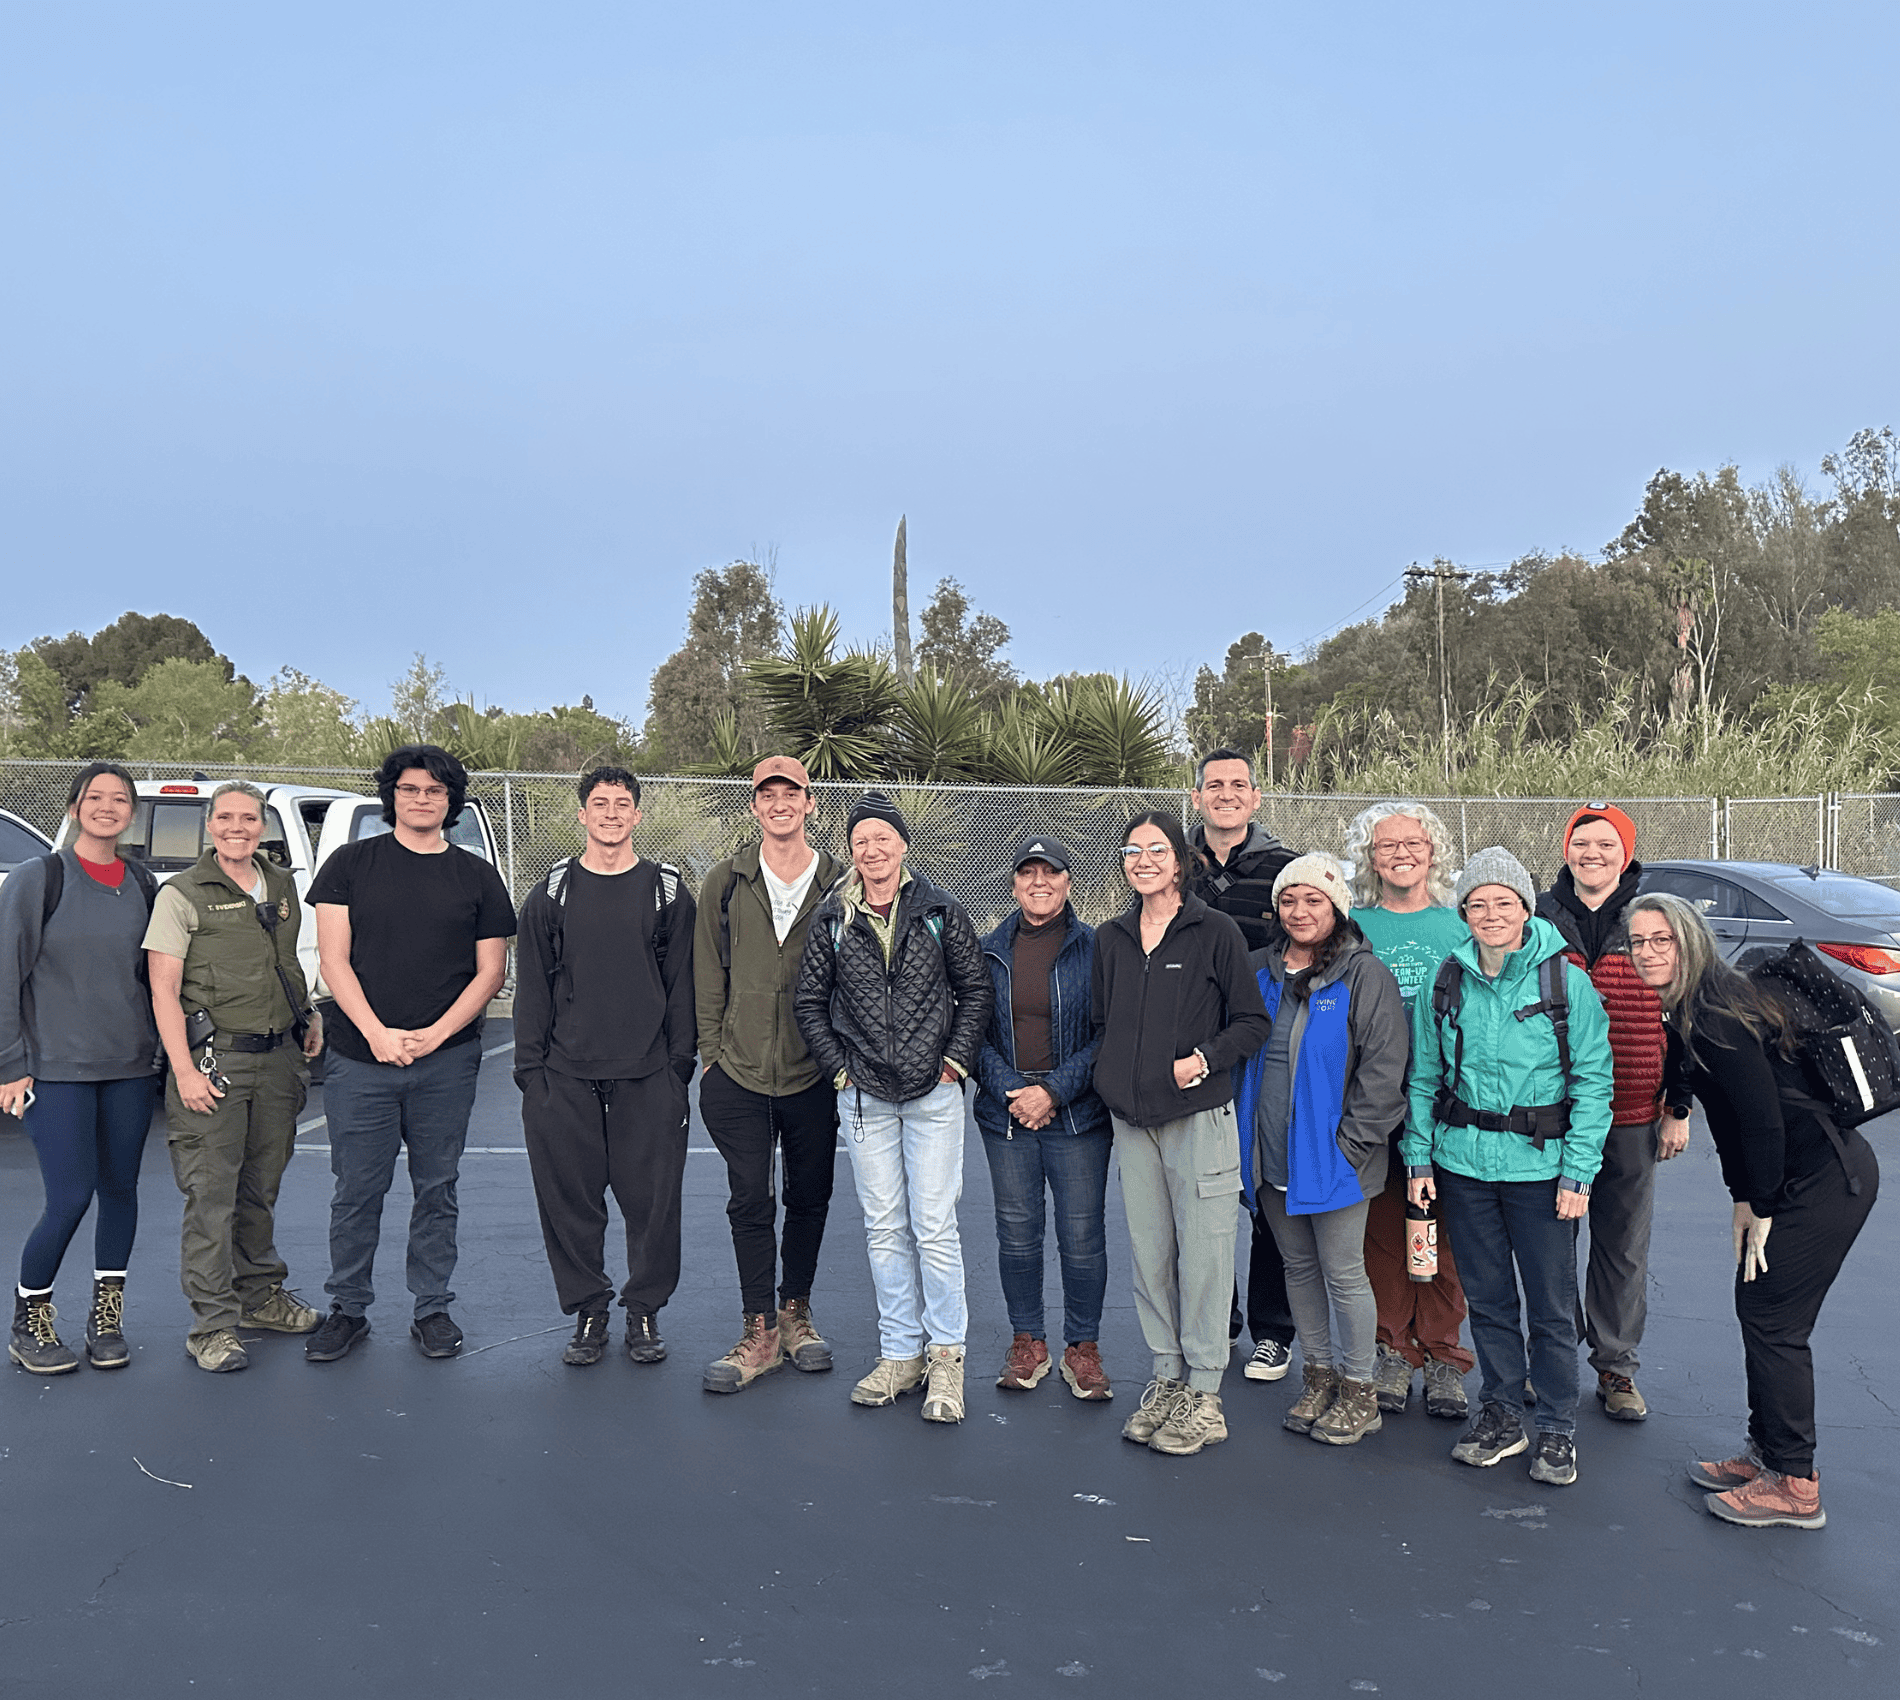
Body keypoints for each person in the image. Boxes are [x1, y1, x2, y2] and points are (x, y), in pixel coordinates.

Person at [1629, 893, 1880, 1530]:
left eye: (1663, 940)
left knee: (1773, 1316)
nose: (1648, 952)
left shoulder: (1714, 1013)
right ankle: (1768, 1454)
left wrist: (1762, 1204)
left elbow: (1763, 1123)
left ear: (1690, 943)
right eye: (1638, 941)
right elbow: (1728, 1119)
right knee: (1759, 1306)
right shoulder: (1691, 1007)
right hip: (1798, 1176)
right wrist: (1743, 1201)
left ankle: (1795, 1483)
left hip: (1825, 1178)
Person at [1404, 848, 1612, 1486]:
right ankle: (1500, 1413)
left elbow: (1594, 1082)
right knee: (1490, 1301)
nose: (1491, 914)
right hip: (1463, 1166)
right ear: (1463, 912)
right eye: (1477, 903)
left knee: (1550, 1307)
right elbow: (1424, 1078)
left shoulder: (1563, 982)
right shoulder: (1446, 981)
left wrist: (1578, 1173)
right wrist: (1419, 1158)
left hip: (1541, 1172)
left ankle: (1556, 1426)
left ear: (1526, 907)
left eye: (1504, 902)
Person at [305, 744, 516, 1364]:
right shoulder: (350, 864)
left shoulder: (476, 875)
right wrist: (375, 1032)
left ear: (451, 801)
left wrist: (435, 1035)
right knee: (356, 1189)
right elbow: (334, 960)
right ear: (390, 795)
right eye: (409, 789)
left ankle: (432, 1309)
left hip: (445, 1063)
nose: (421, 799)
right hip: (358, 1058)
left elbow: (490, 971)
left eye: (434, 791)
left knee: (437, 1188)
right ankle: (347, 1307)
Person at [793, 791, 991, 1424]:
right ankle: (900, 1354)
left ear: (904, 845)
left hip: (933, 1095)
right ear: (850, 851)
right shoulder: (833, 919)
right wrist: (842, 1072)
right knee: (884, 1228)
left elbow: (974, 989)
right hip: (866, 1098)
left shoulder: (938, 911)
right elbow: (809, 1003)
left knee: (933, 1228)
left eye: (883, 838)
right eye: (860, 841)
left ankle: (946, 1360)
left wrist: (954, 1064)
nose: (872, 850)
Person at [1094, 811, 1271, 1457]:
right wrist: (1115, 1079)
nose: (1143, 859)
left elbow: (1251, 1022)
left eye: (1156, 849)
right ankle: (1167, 1379)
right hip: (1134, 1126)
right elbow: (1103, 1021)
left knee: (1204, 1259)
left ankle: (1205, 1394)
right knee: (1151, 1259)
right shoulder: (1112, 939)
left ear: (1180, 859)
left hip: (1199, 1120)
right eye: (1132, 849)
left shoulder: (1214, 932)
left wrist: (1201, 1060)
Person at [514, 767, 696, 1368]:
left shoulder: (668, 891)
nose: (611, 813)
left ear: (638, 815)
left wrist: (677, 1069)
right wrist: (531, 1075)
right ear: (582, 815)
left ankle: (643, 1310)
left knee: (653, 1206)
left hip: (648, 1077)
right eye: (600, 803)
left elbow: (682, 988)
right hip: (564, 1078)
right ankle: (589, 1308)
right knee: (570, 1204)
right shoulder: (552, 892)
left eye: (623, 804)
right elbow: (533, 988)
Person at [144, 782, 325, 1371]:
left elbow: (284, 960)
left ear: (262, 825)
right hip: (213, 1066)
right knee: (210, 1198)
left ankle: (260, 1298)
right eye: (225, 818)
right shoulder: (182, 894)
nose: (237, 827)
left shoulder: (279, 882)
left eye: (248, 818)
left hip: (278, 1061)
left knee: (259, 1190)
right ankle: (213, 1327)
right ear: (209, 827)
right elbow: (164, 990)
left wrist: (308, 1014)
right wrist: (184, 1070)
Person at [1235, 854, 1408, 1446]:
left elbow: (1385, 1073)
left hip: (1334, 1157)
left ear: (1336, 907)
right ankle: (1318, 1375)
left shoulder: (1363, 975)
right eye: (1290, 900)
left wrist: (1353, 1146)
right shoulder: (1260, 971)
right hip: (1271, 1152)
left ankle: (1360, 1391)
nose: (1301, 911)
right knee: (1298, 1268)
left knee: (1343, 1274)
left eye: (1314, 900)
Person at [2, 763, 159, 1375]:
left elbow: (157, 980)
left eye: (120, 799)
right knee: (68, 1197)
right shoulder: (37, 879)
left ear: (131, 814)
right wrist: (9, 1065)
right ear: (72, 808)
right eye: (95, 797)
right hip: (54, 1071)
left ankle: (106, 1315)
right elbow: (3, 977)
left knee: (120, 1192)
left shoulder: (144, 884)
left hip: (129, 1069)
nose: (107, 807)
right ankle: (30, 1317)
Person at [693, 757, 844, 1392]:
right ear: (755, 806)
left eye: (793, 793)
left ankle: (796, 1313)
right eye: (768, 794)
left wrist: (843, 1058)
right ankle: (759, 1329)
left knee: (809, 1198)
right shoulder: (725, 882)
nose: (780, 803)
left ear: (810, 804)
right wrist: (712, 1055)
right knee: (750, 1200)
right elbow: (707, 972)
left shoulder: (840, 881)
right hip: (740, 1073)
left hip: (815, 1073)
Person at [1535, 803, 1686, 1423]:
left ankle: (1616, 1366)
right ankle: (1549, 1359)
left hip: (1630, 1114)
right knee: (1549, 1244)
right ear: (1566, 849)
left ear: (1626, 852)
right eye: (1581, 842)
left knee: (1621, 1246)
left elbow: (1684, 1018)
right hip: (1548, 1113)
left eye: (1604, 843)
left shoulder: (1653, 919)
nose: (1591, 853)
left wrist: (1678, 1105)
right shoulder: (1539, 917)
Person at [1344, 801, 1474, 1421]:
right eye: (1386, 845)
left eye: (1412, 843)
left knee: (1445, 1231)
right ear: (1370, 857)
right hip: (1374, 1105)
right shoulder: (1353, 925)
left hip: (1448, 1106)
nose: (1400, 854)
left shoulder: (1460, 926)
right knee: (1384, 1229)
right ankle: (1392, 1347)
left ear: (1433, 852)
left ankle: (1444, 1354)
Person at [974, 834, 1113, 1402]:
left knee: (1081, 1237)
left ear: (1067, 882)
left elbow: (1108, 1034)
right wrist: (1012, 1089)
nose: (1039, 883)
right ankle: (1027, 1341)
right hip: (1007, 1115)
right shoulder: (989, 950)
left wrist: (1053, 1091)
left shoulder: (1096, 948)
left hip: (1076, 1116)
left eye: (1050, 874)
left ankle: (1083, 1347)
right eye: (1028, 873)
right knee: (1018, 1235)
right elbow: (972, 1033)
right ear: (1014, 884)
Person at [1185, 747, 1299, 1386]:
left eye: (1238, 785)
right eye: (1214, 784)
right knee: (1207, 1193)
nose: (1226, 794)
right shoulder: (1177, 866)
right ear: (1197, 795)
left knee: (1265, 1190)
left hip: (1264, 1046)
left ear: (1256, 798)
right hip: (1193, 1051)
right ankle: (1217, 1318)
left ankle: (1273, 1333)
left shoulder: (1284, 869)